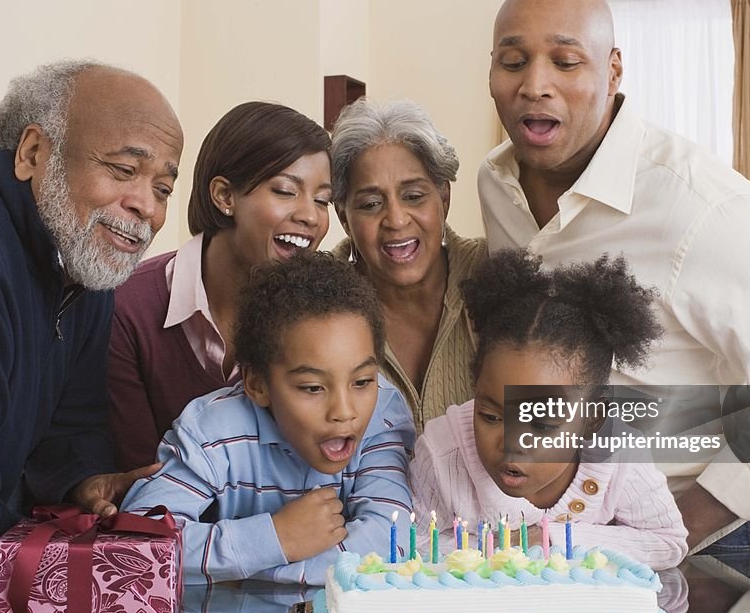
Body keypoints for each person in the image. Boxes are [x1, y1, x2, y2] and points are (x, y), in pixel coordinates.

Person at [477, 0, 750, 555]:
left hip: (724, 527)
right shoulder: (495, 184)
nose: (536, 84)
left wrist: (672, 528)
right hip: (573, 528)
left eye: (565, 61)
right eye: (513, 62)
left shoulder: (704, 207)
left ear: (612, 71)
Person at [0, 60, 184, 607]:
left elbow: (72, 427)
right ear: (32, 154)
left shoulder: (82, 265)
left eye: (163, 186)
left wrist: (84, 482)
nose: (147, 206)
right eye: (124, 170)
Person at [121, 252, 415, 585]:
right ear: (257, 385)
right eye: (313, 387)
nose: (345, 411)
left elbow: (391, 538)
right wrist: (276, 538)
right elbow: (138, 548)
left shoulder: (381, 415)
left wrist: (262, 571)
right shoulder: (211, 432)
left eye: (362, 382)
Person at [410, 249, 688, 569]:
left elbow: (668, 541)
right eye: (491, 417)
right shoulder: (442, 451)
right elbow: (409, 546)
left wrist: (550, 539)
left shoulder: (618, 455)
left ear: (592, 420)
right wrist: (502, 547)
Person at [109, 102, 332, 471]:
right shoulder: (127, 308)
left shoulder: (324, 316)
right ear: (225, 196)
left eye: (322, 199)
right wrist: (269, 530)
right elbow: (141, 479)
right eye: (285, 191)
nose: (311, 215)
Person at [330, 98, 486, 429]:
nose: (396, 220)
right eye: (371, 204)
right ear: (344, 217)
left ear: (444, 198)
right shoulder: (313, 303)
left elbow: (555, 436)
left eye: (414, 196)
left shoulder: (492, 273)